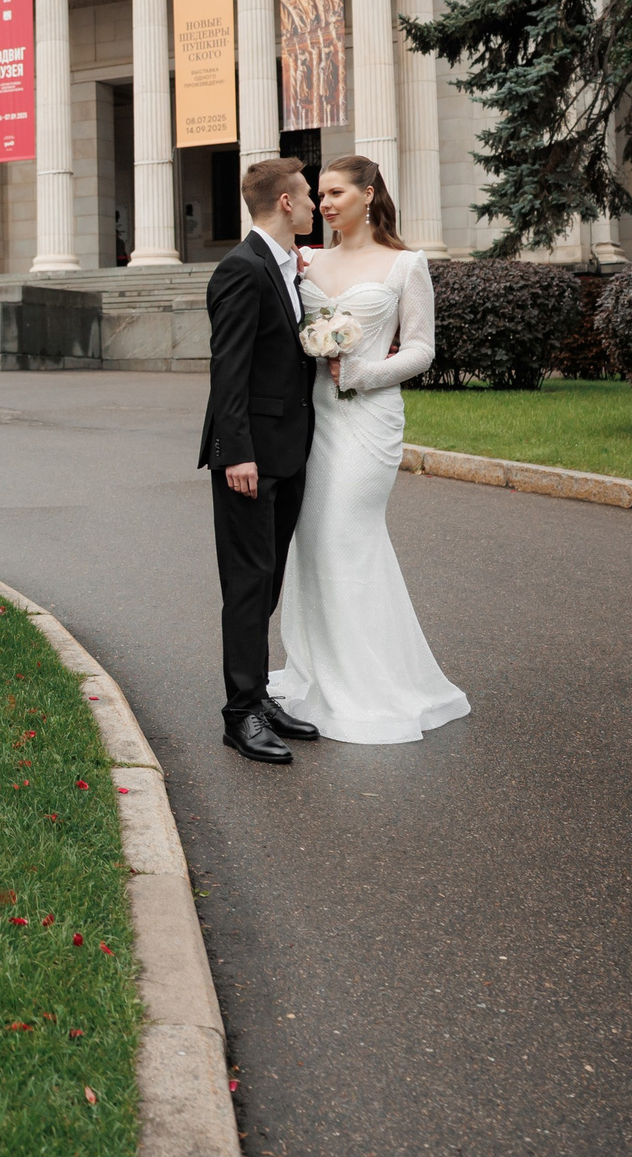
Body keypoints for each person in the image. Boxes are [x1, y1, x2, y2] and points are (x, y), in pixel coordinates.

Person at [265, 154, 469, 745]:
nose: (324, 204)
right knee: (314, 542)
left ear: (368, 194)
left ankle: (367, 682)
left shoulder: (407, 264)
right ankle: (322, 669)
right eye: (320, 195)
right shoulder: (306, 261)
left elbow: (423, 349)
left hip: (369, 418)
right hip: (313, 423)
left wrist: (361, 372)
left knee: (346, 536)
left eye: (335, 193)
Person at [198, 157, 325, 764]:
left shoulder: (285, 267)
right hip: (250, 459)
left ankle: (258, 694)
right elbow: (229, 369)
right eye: (305, 196)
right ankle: (239, 714)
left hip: (287, 452)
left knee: (268, 580)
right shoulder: (240, 269)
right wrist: (236, 454)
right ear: (283, 203)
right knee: (248, 583)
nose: (313, 205)